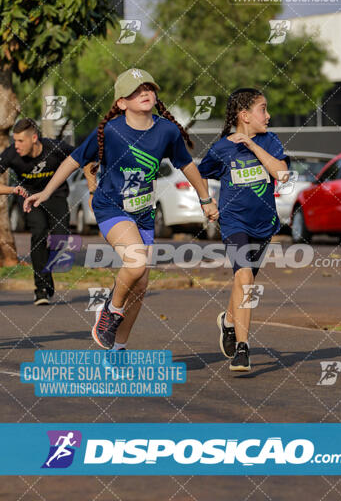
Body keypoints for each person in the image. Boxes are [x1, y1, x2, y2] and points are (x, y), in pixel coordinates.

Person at [24, 68, 219, 350]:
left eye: (149, 88)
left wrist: (205, 199)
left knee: (140, 285)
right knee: (136, 263)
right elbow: (74, 160)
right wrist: (45, 191)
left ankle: (118, 347)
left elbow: (186, 164)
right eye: (136, 91)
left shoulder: (166, 130)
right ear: (121, 103)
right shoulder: (112, 130)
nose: (145, 93)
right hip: (111, 208)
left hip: (143, 214)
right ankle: (110, 311)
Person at [198, 88, 290, 372]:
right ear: (245, 115)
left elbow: (282, 174)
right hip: (233, 222)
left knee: (243, 282)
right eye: (263, 109)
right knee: (245, 278)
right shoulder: (222, 149)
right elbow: (199, 173)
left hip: (263, 225)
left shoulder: (269, 141)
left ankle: (228, 320)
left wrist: (252, 146)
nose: (268, 115)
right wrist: (207, 203)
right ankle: (242, 349)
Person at [0, 118, 74, 305]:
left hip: (55, 195)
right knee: (39, 231)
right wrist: (12, 190)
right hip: (29, 197)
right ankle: (41, 289)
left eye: (20, 141)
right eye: (14, 140)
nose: (16, 145)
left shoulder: (55, 148)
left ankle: (45, 273)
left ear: (34, 138)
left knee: (61, 239)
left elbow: (83, 158)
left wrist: (92, 188)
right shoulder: (10, 154)